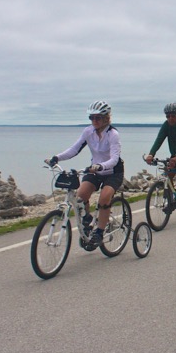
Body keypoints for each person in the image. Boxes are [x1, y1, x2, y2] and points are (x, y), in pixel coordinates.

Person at [45, 100, 124, 247]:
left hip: (113, 171)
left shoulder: (113, 134)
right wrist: (57, 158)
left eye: (98, 118)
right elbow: (74, 149)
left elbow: (114, 159)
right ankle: (87, 220)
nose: (94, 121)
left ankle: (99, 232)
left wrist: (100, 166)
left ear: (106, 117)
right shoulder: (88, 132)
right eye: (91, 118)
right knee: (80, 196)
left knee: (104, 197)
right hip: (94, 170)